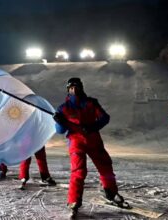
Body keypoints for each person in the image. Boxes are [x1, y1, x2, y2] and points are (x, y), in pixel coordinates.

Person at [54, 77, 126, 217]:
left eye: (76, 87)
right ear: (68, 90)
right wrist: (60, 122)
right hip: (76, 141)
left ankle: (111, 192)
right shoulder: (63, 108)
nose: (74, 90)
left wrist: (93, 126)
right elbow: (60, 131)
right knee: (79, 170)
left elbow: (105, 117)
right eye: (71, 88)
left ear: (81, 88)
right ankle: (74, 200)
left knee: (105, 166)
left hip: (93, 140)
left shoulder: (91, 103)